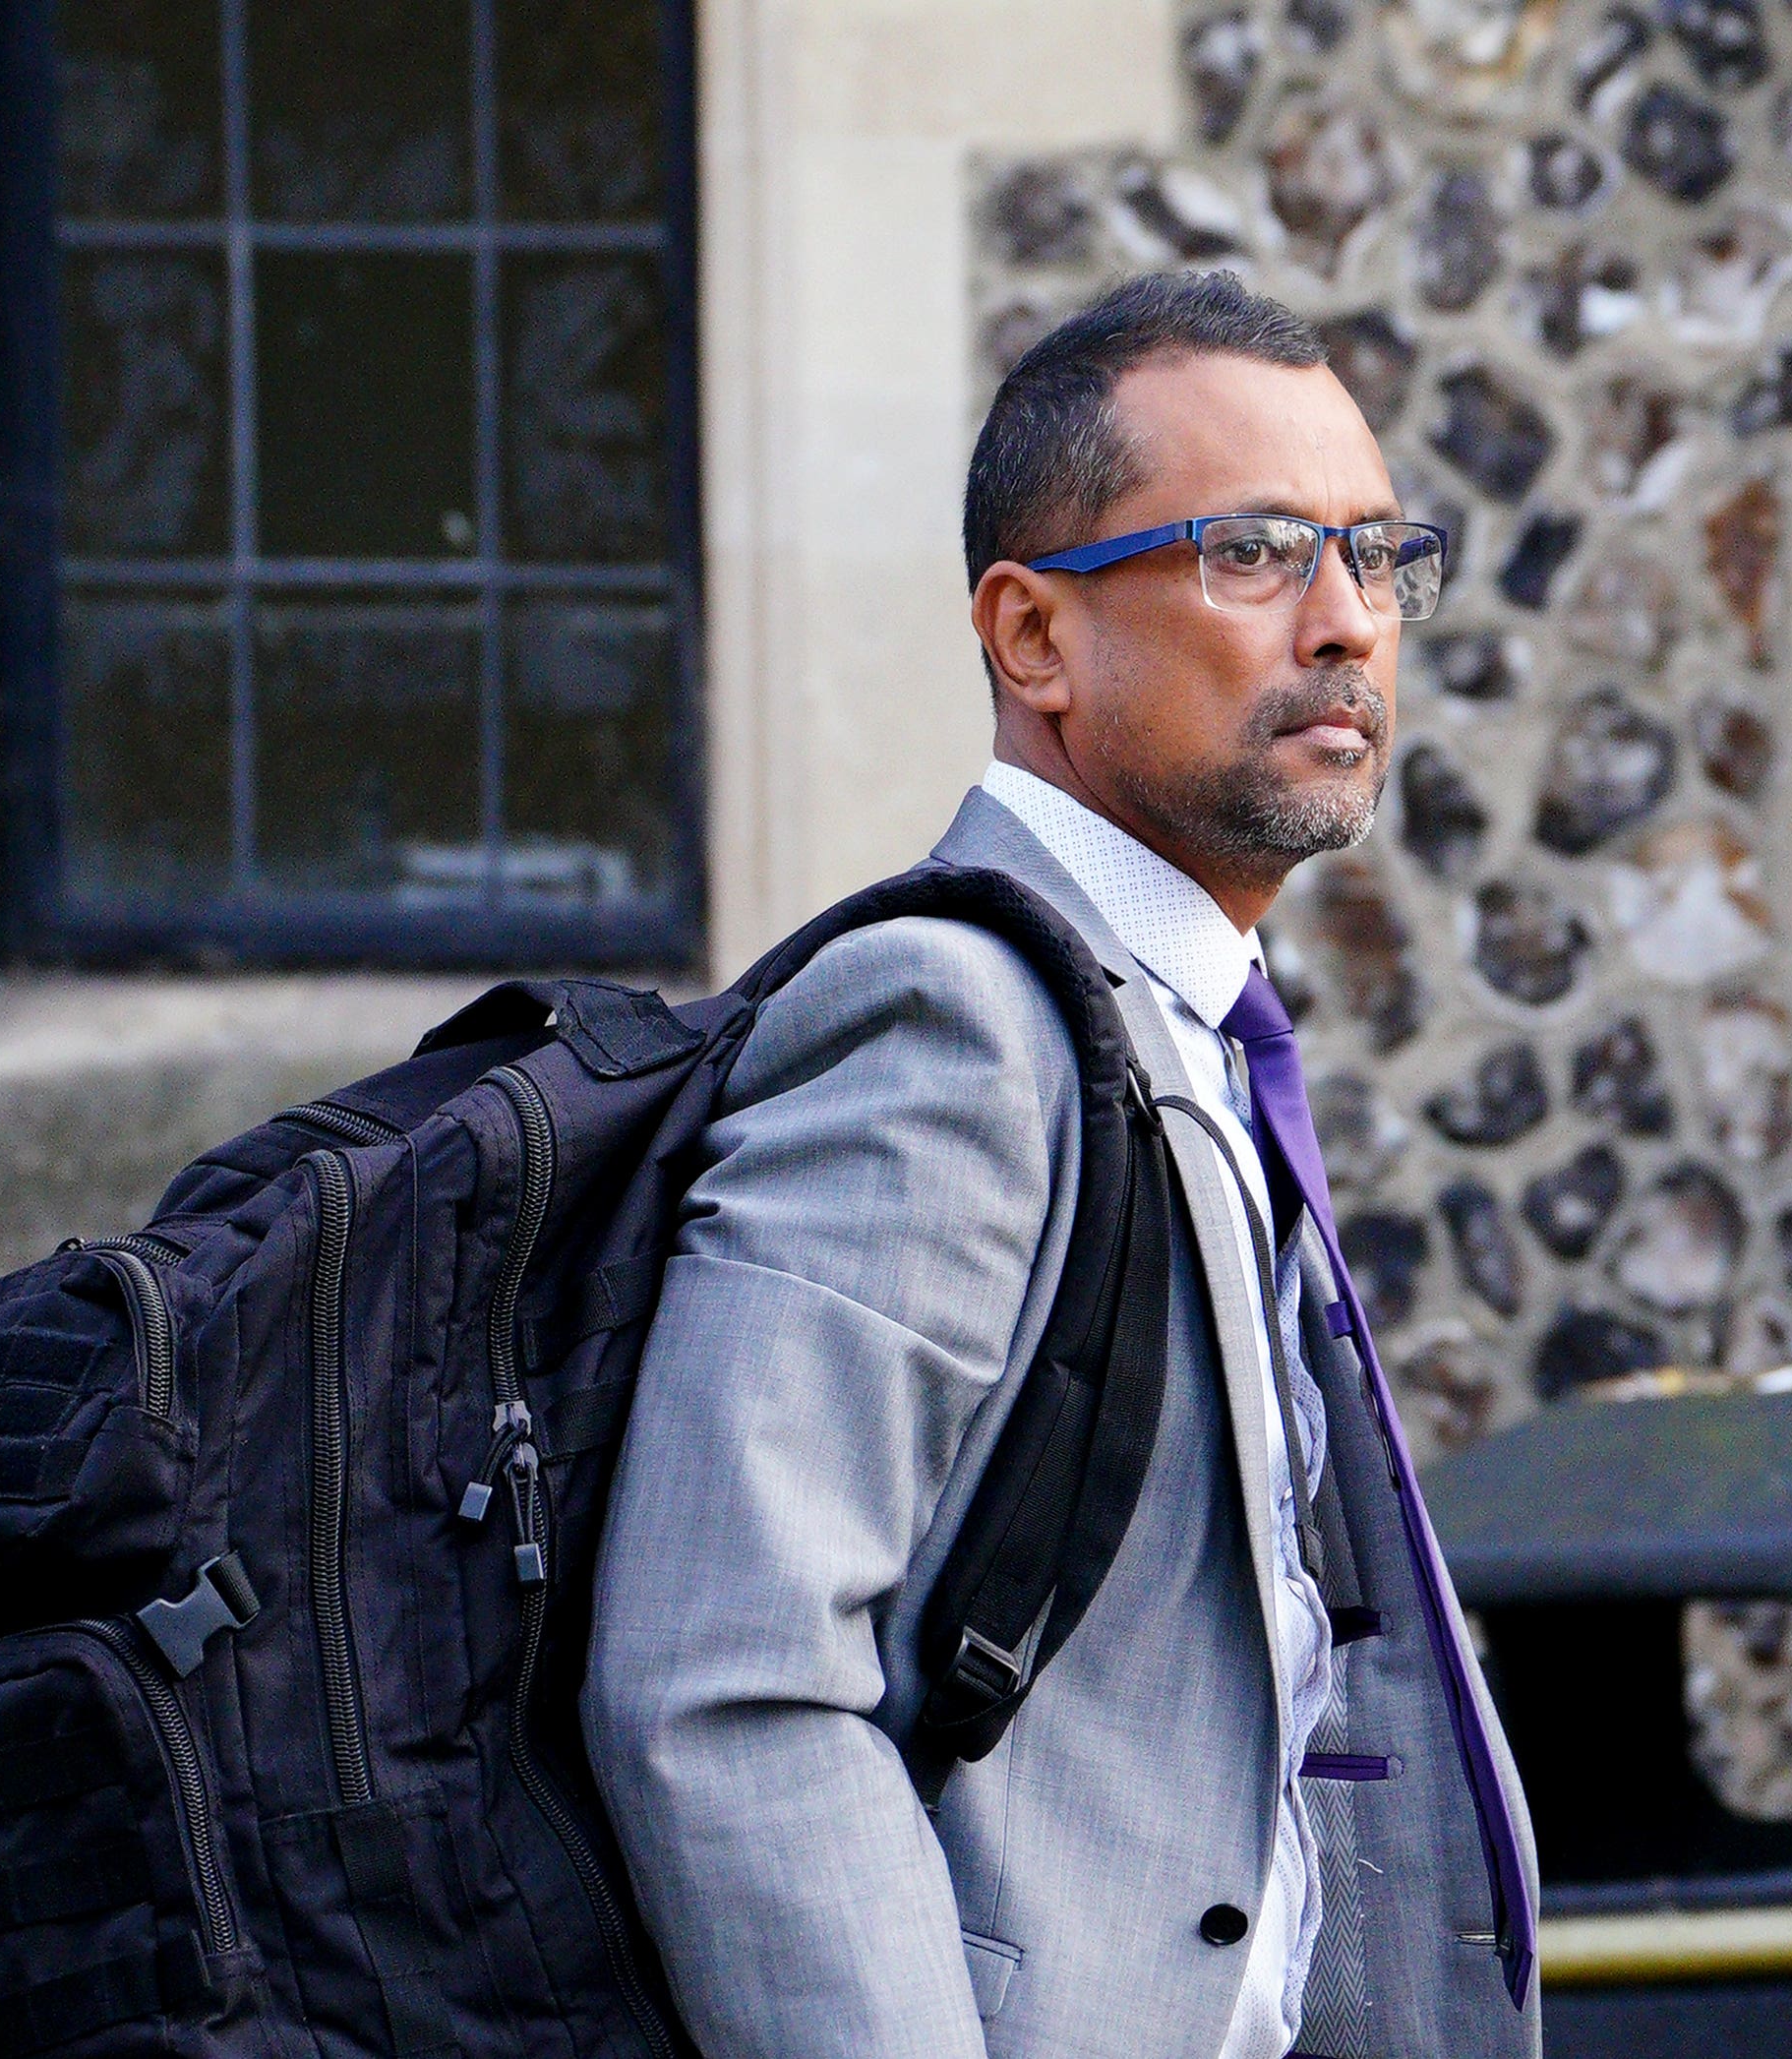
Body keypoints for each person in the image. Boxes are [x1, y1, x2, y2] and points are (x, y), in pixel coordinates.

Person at [583, 271, 1541, 2059]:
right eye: (1254, 553)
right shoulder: (952, 1025)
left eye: (1375, 554)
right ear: (1033, 639)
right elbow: (725, 1673)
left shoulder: (1179, 1026)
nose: (1345, 624)